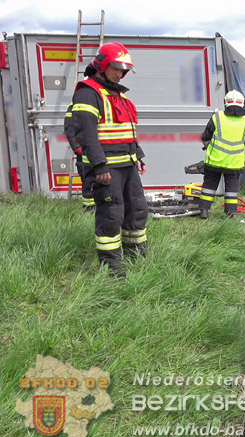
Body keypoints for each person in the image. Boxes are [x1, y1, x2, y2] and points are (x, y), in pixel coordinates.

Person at [70, 42, 147, 276]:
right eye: (117, 68)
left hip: (128, 164)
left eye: (124, 70)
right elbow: (86, 134)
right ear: (102, 65)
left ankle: (136, 261)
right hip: (107, 168)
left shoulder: (115, 93)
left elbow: (127, 131)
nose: (120, 73)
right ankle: (112, 270)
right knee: (112, 215)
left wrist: (139, 156)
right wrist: (99, 165)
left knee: (137, 210)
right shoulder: (88, 92)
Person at [198, 90, 245, 219]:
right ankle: (230, 214)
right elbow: (244, 137)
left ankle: (204, 211)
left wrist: (207, 146)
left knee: (209, 186)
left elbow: (206, 136)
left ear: (225, 103)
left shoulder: (217, 117)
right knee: (231, 190)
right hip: (234, 162)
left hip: (215, 160)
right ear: (242, 104)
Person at [64, 103, 95, 210]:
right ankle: (89, 209)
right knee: (87, 179)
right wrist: (76, 146)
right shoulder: (74, 106)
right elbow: (69, 127)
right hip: (83, 152)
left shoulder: (97, 102)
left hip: (97, 149)